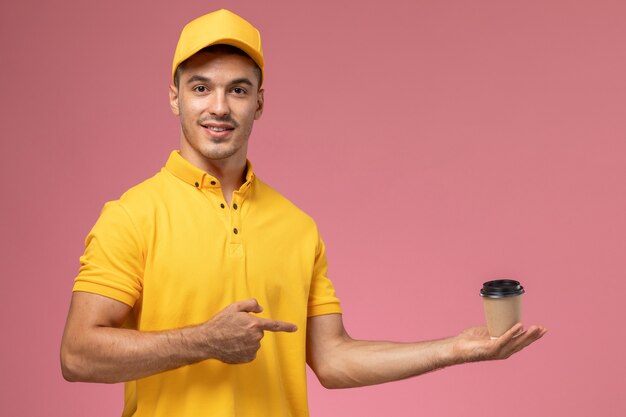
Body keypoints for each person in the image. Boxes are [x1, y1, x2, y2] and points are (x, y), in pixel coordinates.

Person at [60, 9, 547, 417]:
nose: (219, 107)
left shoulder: (297, 227)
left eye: (238, 90)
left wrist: (453, 350)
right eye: (201, 88)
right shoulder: (131, 215)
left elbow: (331, 359)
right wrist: (204, 341)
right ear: (175, 97)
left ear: (260, 103)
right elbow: (78, 353)